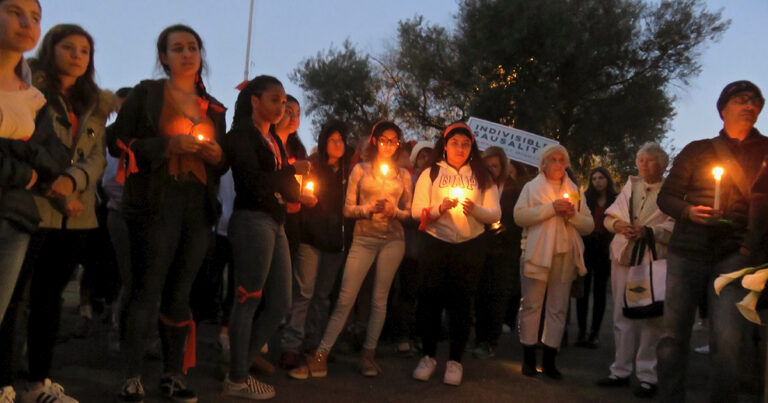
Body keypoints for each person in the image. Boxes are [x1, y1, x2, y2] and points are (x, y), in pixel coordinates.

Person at [108, 24, 228, 403]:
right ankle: (131, 377)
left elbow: (223, 164)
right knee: (148, 289)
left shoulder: (214, 107)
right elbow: (118, 141)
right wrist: (167, 145)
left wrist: (216, 156)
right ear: (163, 57)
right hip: (157, 203)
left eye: (193, 47)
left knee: (181, 292)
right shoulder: (147, 94)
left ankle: (172, 374)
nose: (187, 54)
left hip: (196, 207)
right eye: (177, 48)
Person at [656, 80, 768, 403]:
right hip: (687, 252)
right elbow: (667, 197)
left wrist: (751, 245)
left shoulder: (766, 152)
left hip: (737, 255)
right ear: (724, 109)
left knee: (730, 339)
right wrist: (689, 211)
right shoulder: (697, 150)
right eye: (741, 100)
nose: (749, 105)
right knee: (672, 336)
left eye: (754, 101)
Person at [289, 120, 412, 379]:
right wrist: (367, 210)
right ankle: (320, 355)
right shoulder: (359, 170)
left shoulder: (403, 175)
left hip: (393, 239)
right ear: (375, 141)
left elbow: (409, 212)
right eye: (384, 139)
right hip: (364, 237)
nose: (388, 144)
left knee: (380, 299)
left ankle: (368, 355)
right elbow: (347, 209)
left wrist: (395, 211)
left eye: (394, 140)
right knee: (345, 298)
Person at [222, 75, 310, 400]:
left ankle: (238, 368)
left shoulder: (272, 138)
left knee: (281, 302)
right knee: (249, 299)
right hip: (252, 221)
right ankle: (237, 377)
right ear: (254, 101)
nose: (282, 107)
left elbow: (280, 184)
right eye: (275, 99)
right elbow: (254, 182)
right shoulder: (242, 136)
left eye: (285, 101)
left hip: (275, 222)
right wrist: (291, 171)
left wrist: (299, 189)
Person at [0, 1, 69, 401]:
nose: (28, 23)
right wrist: (26, 169)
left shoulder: (32, 98)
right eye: (15, 11)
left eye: (36, 16)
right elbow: (39, 162)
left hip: (16, 220)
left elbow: (57, 158)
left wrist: (19, 156)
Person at [410, 123, 500, 386]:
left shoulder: (483, 176)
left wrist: (475, 211)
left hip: (470, 246)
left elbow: (495, 213)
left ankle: (455, 361)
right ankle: (428, 356)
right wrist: (439, 208)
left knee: (461, 303)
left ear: (471, 148)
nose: (460, 148)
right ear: (445, 145)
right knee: (430, 301)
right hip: (436, 244)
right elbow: (417, 211)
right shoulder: (431, 173)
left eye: (465, 144)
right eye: (455, 143)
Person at [597, 143, 674, 398]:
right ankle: (620, 370)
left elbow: (676, 226)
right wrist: (619, 225)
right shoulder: (631, 186)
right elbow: (609, 218)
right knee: (622, 314)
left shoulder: (672, 191)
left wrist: (651, 232)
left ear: (663, 165)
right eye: (641, 160)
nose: (644, 165)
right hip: (624, 257)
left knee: (650, 316)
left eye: (650, 161)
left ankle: (647, 375)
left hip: (651, 260)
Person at [513, 144, 594, 379]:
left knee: (558, 308)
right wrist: (550, 208)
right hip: (536, 253)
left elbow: (588, 226)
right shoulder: (531, 188)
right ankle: (528, 359)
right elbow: (519, 216)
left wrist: (574, 216)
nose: (559, 163)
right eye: (554, 159)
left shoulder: (575, 191)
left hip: (565, 254)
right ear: (544, 164)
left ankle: (549, 361)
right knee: (531, 305)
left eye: (562, 159)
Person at [280, 119, 351, 369]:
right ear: (323, 142)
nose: (338, 144)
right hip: (310, 238)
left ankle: (314, 345)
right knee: (304, 293)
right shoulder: (311, 167)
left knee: (322, 297)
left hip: (335, 243)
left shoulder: (347, 173)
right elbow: (295, 193)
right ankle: (291, 345)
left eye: (341, 139)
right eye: (333, 139)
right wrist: (303, 199)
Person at [472, 146, 523, 359]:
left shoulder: (516, 188)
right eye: (488, 166)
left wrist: (506, 229)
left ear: (503, 167)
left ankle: (490, 342)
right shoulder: (479, 187)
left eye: (495, 165)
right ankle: (478, 338)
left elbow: (519, 218)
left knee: (497, 295)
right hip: (482, 245)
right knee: (480, 294)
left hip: (506, 249)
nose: (491, 169)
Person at [575, 167, 617, 348]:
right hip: (587, 246)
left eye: (601, 178)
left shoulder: (616, 200)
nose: (597, 181)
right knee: (582, 291)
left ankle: (595, 332)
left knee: (600, 291)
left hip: (605, 248)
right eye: (594, 179)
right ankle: (582, 331)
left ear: (607, 179)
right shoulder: (585, 198)